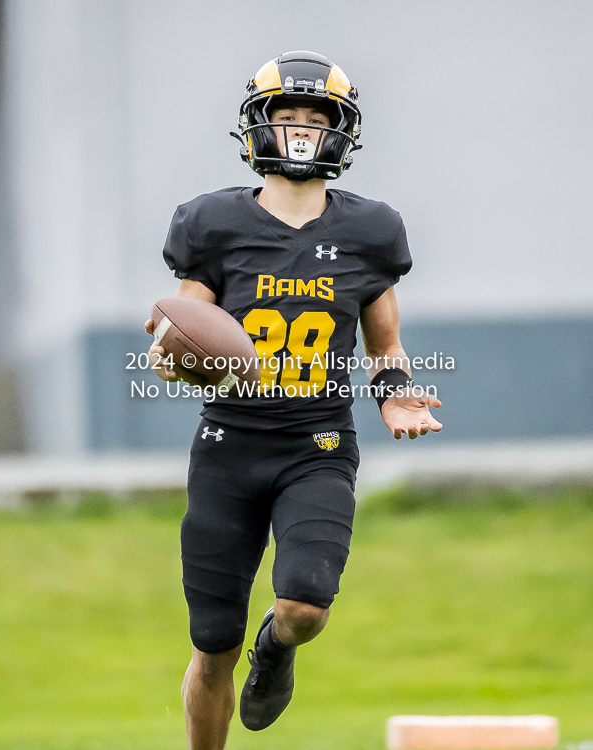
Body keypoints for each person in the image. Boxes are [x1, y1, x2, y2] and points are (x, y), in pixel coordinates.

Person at [145, 50, 442, 750]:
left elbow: (384, 344)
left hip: (317, 447)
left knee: (305, 606)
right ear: (259, 126)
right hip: (228, 446)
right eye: (287, 116)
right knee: (213, 640)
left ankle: (275, 648)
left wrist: (394, 399)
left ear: (342, 131)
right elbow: (184, 325)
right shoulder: (212, 222)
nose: (302, 129)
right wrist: (169, 356)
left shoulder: (370, 231)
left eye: (317, 117)